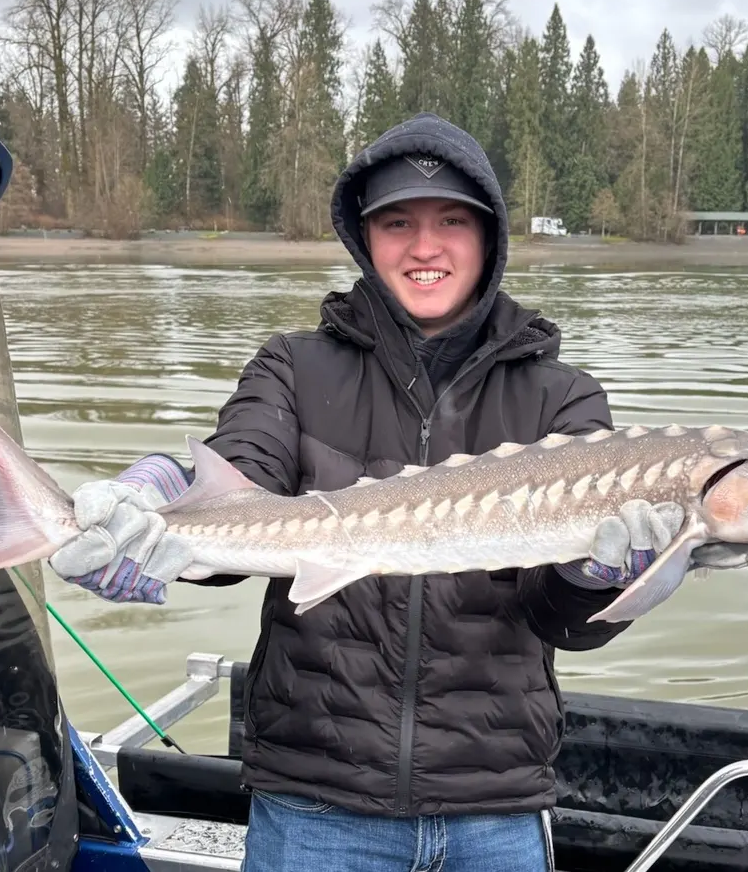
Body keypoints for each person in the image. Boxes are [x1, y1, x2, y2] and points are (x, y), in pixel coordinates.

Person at [48, 112, 692, 871]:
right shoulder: (294, 366)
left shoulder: (563, 399)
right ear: (365, 237)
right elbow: (241, 473)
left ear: (490, 237)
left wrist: (606, 577)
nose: (425, 247)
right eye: (398, 223)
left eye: (452, 221)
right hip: (316, 803)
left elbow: (563, 621)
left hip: (494, 804)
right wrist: (158, 492)